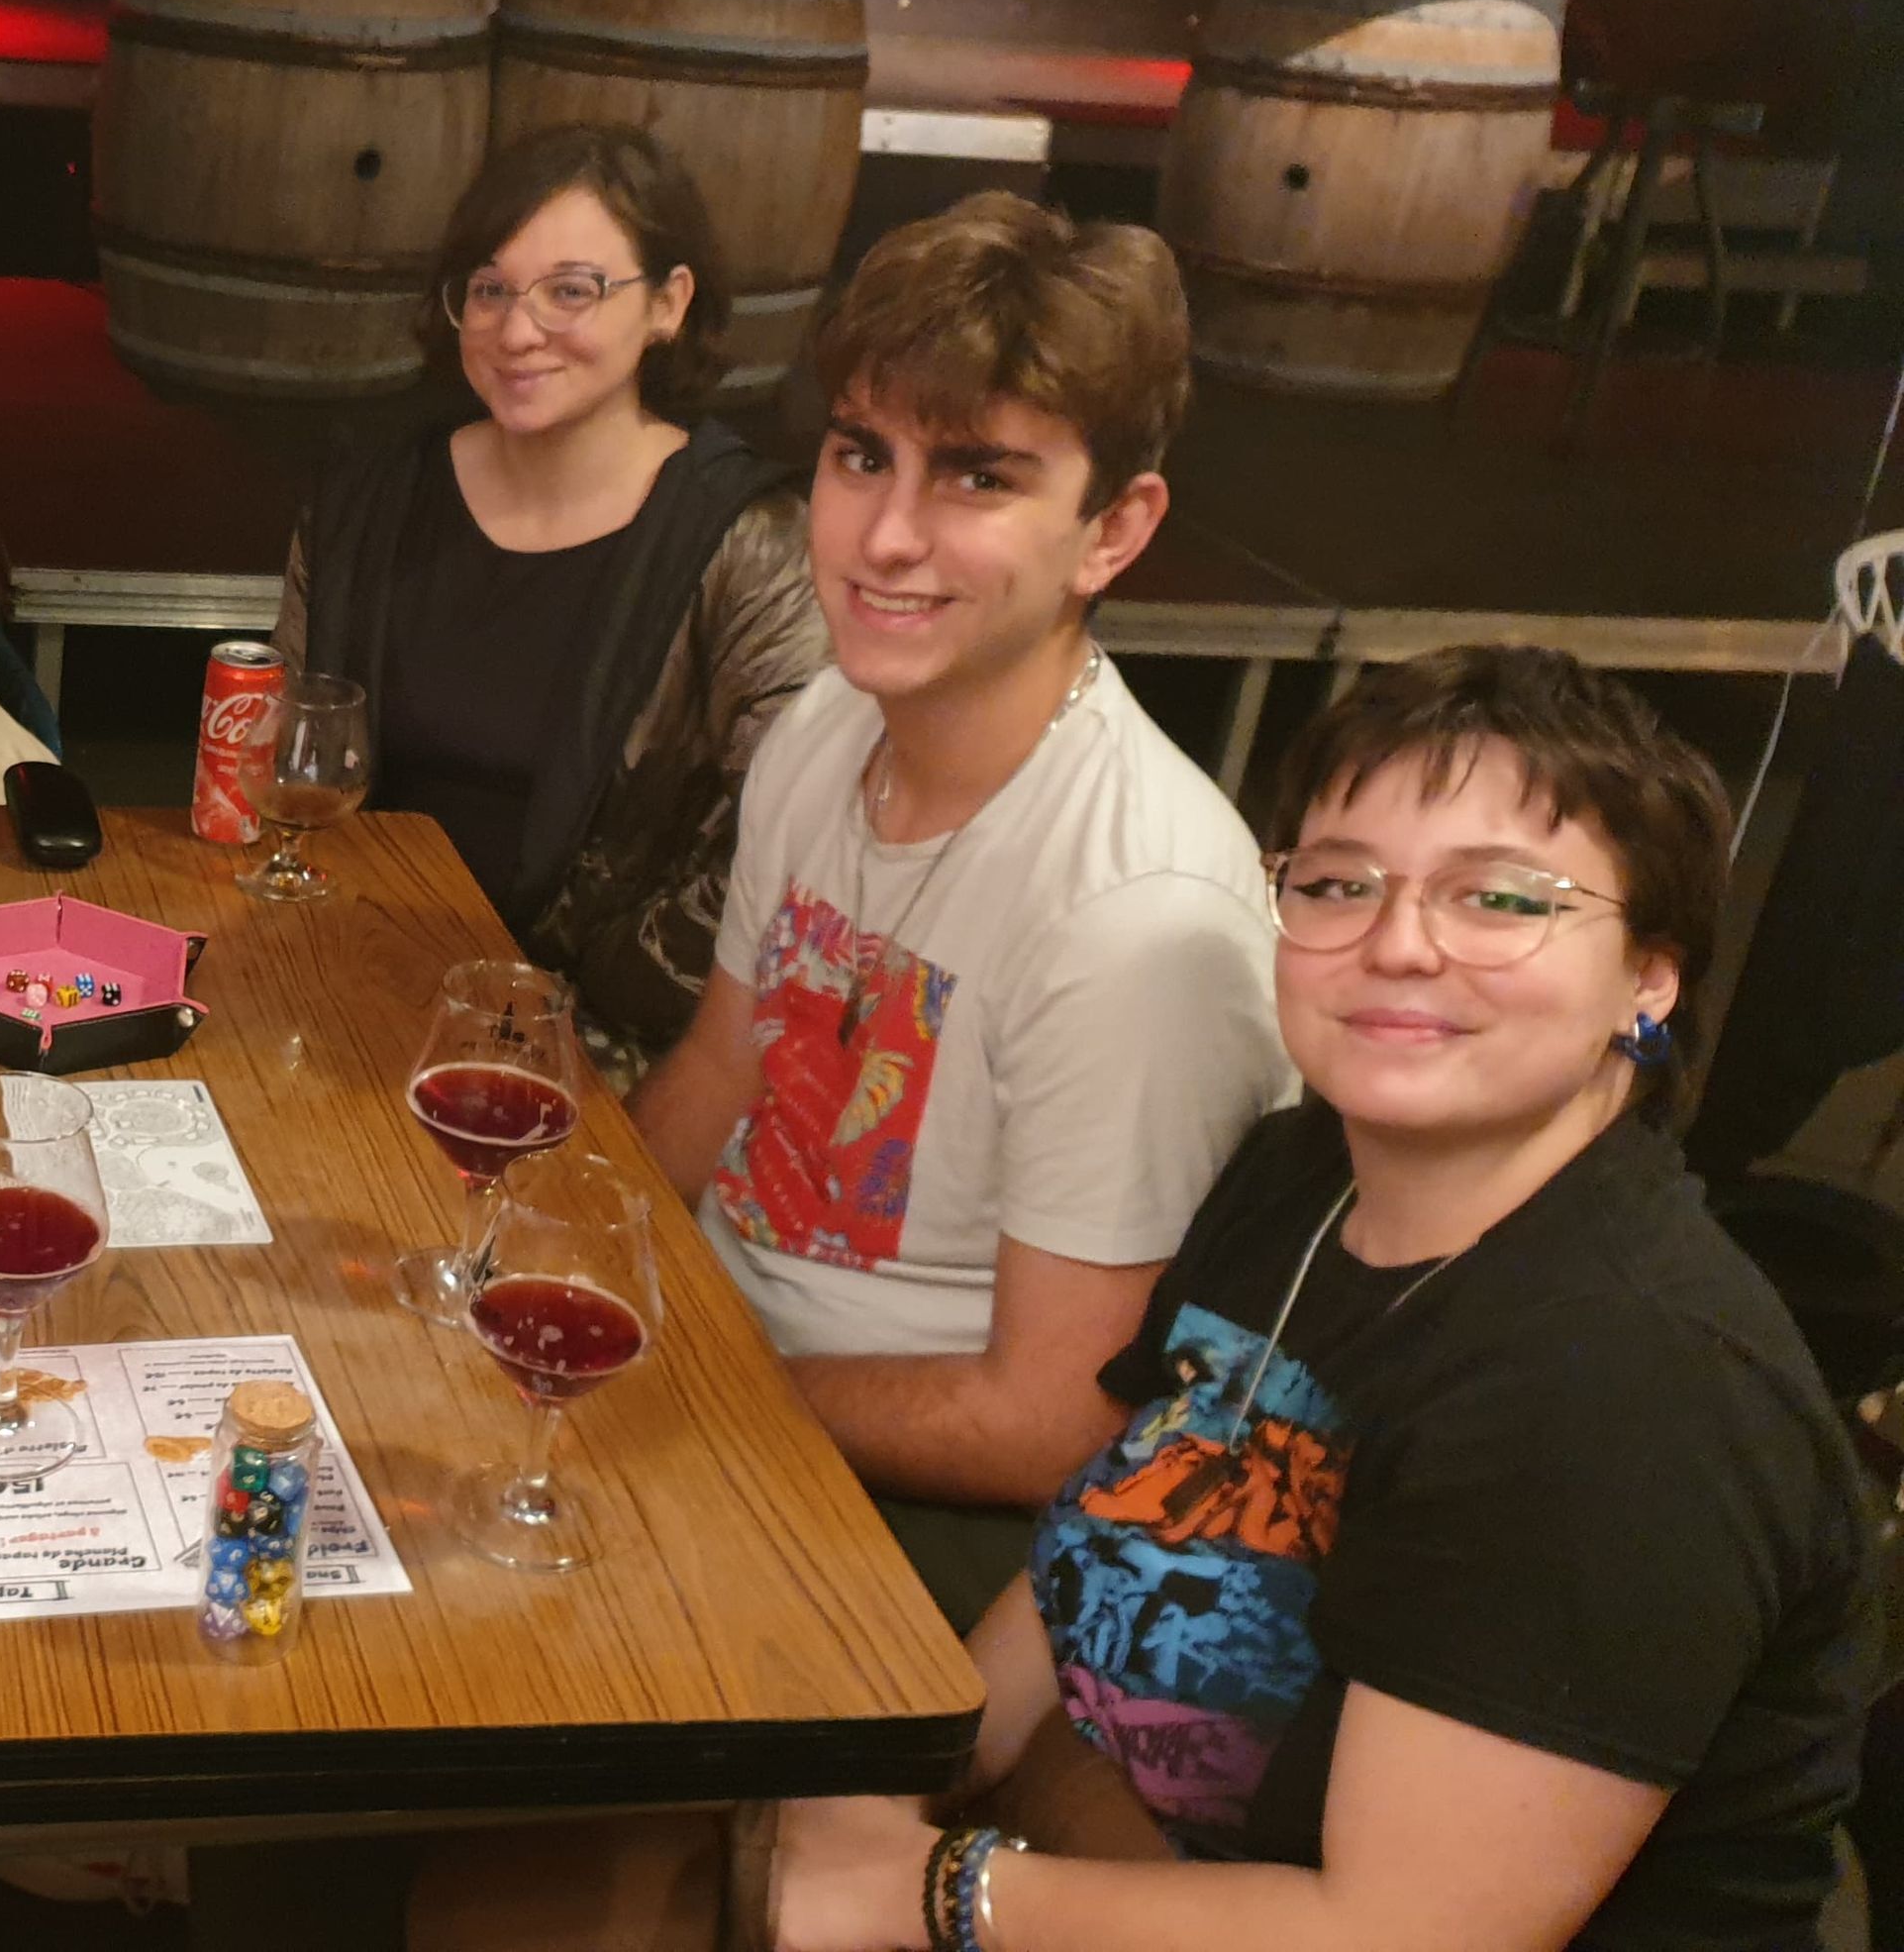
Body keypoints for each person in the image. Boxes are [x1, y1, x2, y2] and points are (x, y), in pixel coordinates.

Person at [770, 645, 1877, 1952]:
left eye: (1500, 899)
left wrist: (921, 1888)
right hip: (1127, 1843)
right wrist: (897, 1776)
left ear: (1649, 974)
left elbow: (1402, 1932)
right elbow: (1108, 1532)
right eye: (1340, 883)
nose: (1397, 944)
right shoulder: (1301, 1171)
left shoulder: (1628, 1390)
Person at [622, 192, 1292, 1627]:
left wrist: (682, 1389)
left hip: (929, 1511)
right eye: (861, 455)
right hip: (712, 1366)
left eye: (978, 478)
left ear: (1112, 530)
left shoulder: (1141, 917)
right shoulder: (825, 723)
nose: (886, 536)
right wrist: (546, 1259)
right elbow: (721, 1067)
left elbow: (1047, 1421)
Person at [274, 123, 828, 1085]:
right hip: (348, 986)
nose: (516, 330)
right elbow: (284, 760)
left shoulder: (751, 542)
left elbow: (784, 849)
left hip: (605, 1045)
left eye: (570, 290)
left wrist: (545, 1010)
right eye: (489, 289)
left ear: (667, 304)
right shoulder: (366, 499)